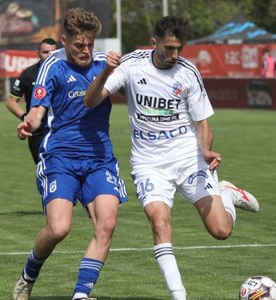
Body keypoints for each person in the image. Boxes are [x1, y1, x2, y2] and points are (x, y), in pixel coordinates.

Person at [84, 16, 259, 300]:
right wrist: (105, 71)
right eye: (168, 48)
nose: (174, 55)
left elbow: (202, 123)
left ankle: (226, 193)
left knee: (221, 230)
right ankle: (179, 295)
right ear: (154, 43)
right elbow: (90, 100)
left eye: (179, 48)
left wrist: (205, 150)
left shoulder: (187, 72)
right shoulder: (131, 65)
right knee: (159, 221)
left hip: (188, 158)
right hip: (149, 164)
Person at [13, 8, 127, 300]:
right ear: (65, 40)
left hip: (100, 158)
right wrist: (29, 122)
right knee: (59, 229)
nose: (86, 51)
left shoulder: (105, 63)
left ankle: (81, 295)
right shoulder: (52, 66)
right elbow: (38, 109)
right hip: (61, 157)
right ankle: (28, 276)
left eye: (90, 44)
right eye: (79, 45)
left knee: (107, 224)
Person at [6, 38, 57, 164]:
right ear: (38, 53)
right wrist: (25, 118)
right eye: (45, 52)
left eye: (53, 53)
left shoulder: (65, 71)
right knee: (45, 168)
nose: (49, 55)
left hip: (60, 129)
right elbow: (11, 101)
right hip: (38, 132)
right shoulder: (29, 74)